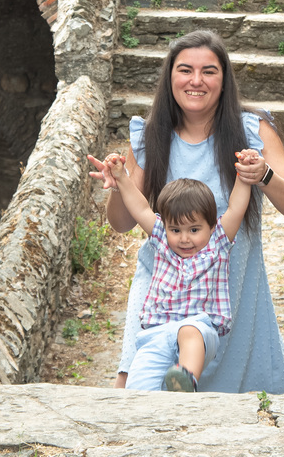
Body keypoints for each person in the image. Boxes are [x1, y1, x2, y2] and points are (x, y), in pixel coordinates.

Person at [92, 30, 284, 393]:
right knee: (131, 385)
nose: (196, 81)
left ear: (224, 81)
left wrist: (264, 175)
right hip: (161, 281)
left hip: (228, 283)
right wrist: (119, 184)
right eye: (185, 70)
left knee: (228, 400)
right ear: (169, 77)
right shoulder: (150, 136)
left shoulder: (252, 131)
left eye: (209, 71)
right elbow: (121, 222)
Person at [89, 153, 258, 391]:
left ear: (211, 227)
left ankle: (185, 381)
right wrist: (121, 177)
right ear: (165, 227)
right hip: (156, 333)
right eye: (176, 229)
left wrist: (244, 175)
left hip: (199, 330)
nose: (185, 238)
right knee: (137, 389)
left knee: (189, 331)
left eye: (194, 229)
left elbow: (236, 208)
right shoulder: (162, 242)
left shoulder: (217, 244)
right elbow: (140, 208)